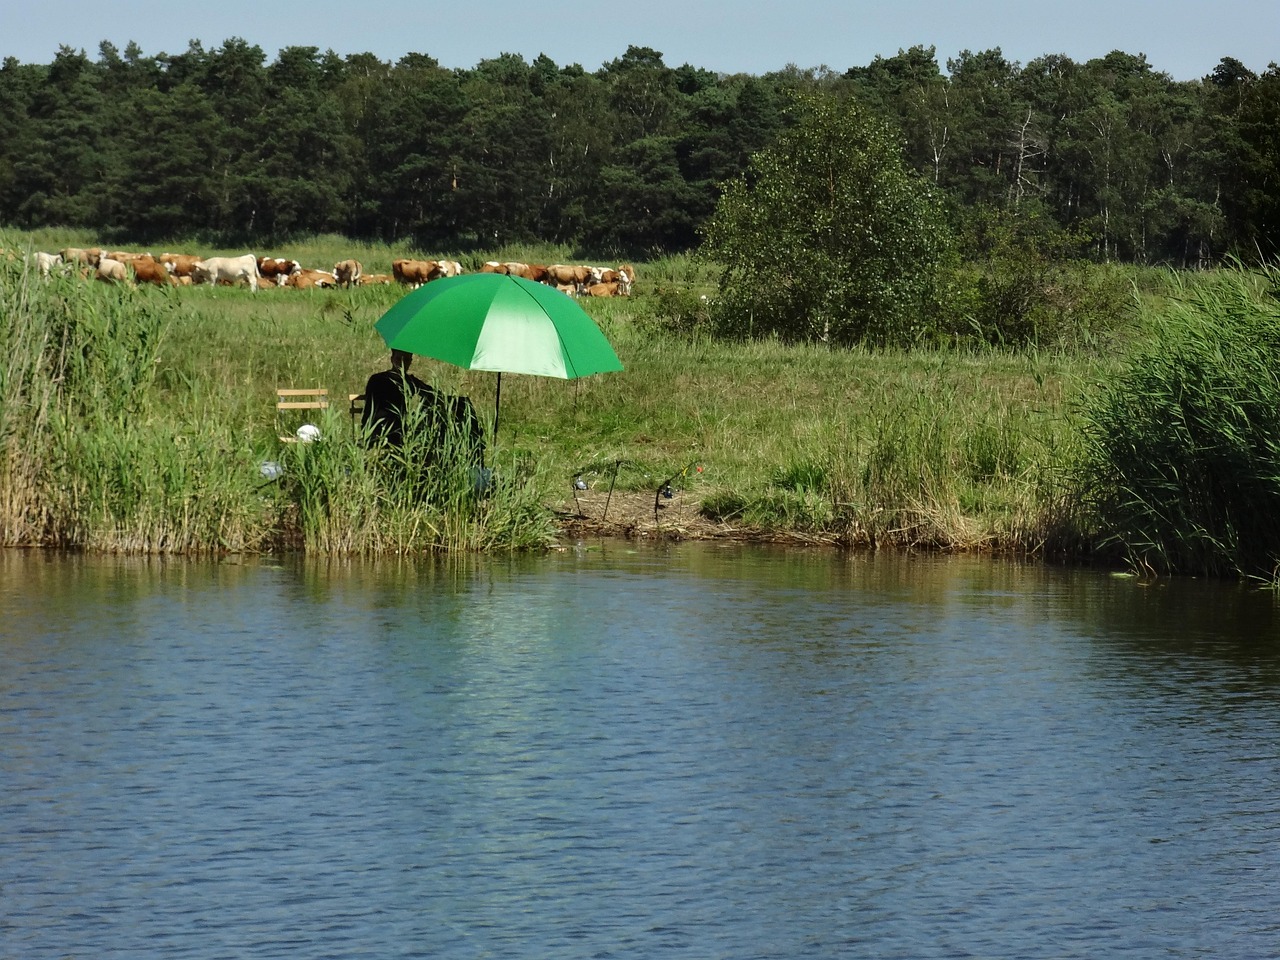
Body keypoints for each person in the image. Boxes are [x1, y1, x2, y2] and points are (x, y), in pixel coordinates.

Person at [360, 350, 486, 467]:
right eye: (399, 358)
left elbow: (433, 395)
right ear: (392, 359)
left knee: (455, 408)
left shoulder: (409, 381)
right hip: (380, 429)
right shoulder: (378, 380)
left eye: (406, 359)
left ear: (411, 361)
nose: (402, 362)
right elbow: (376, 410)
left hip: (400, 429)